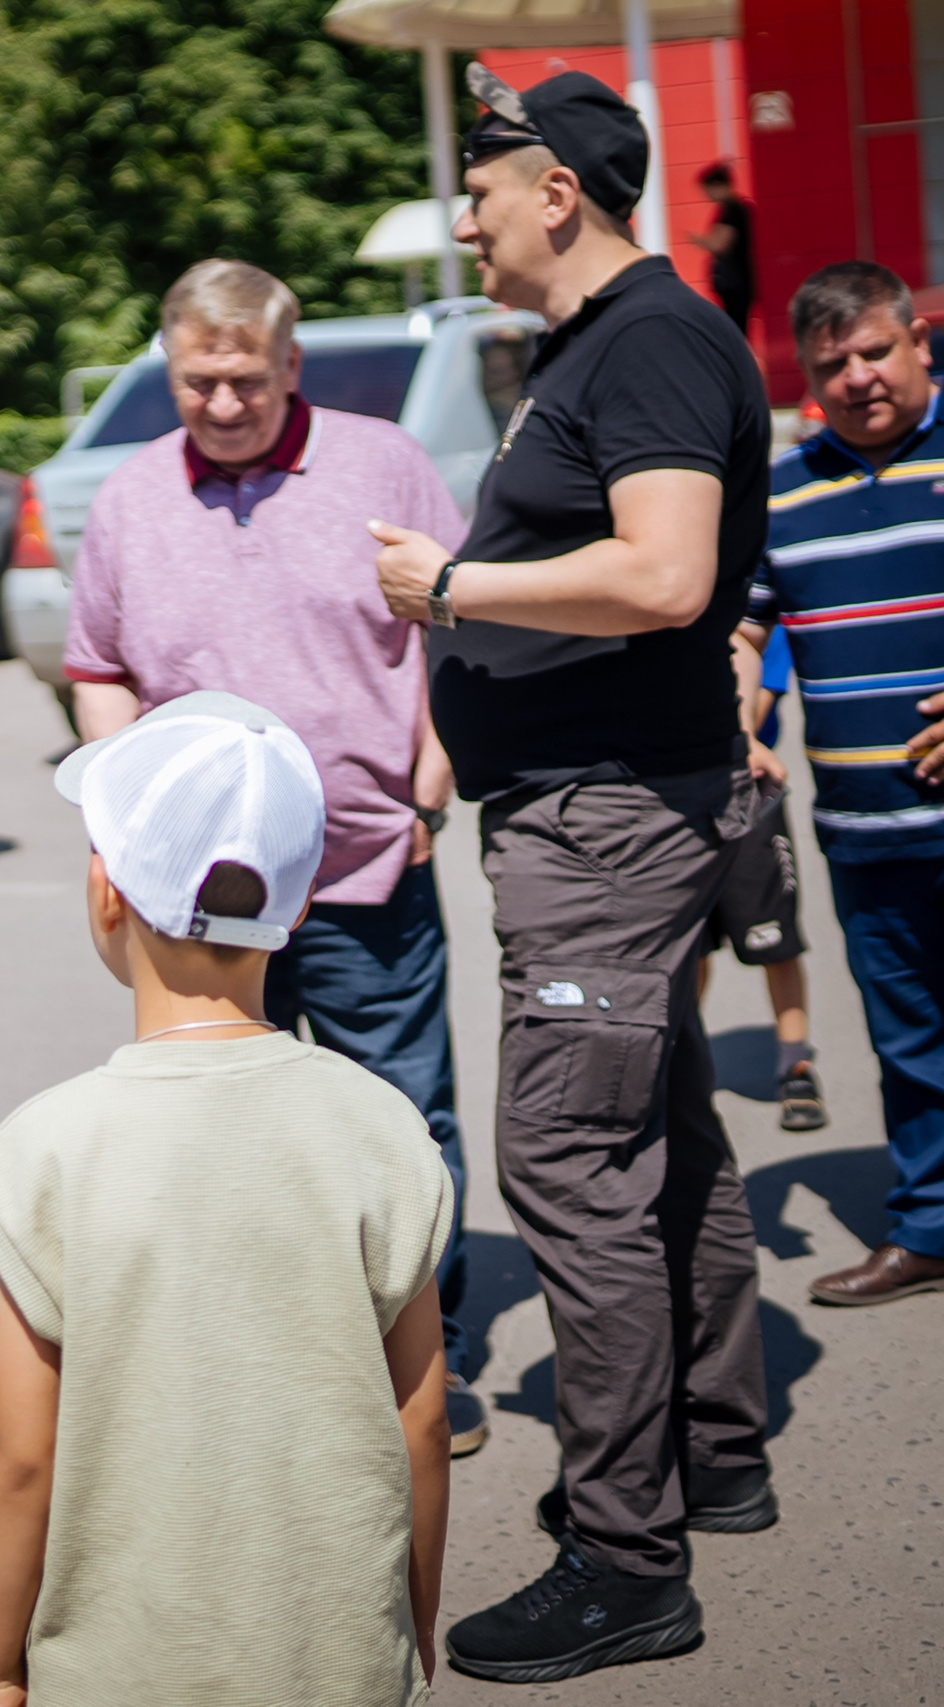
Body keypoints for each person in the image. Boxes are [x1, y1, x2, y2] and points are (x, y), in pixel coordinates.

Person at [371, 65, 774, 1683]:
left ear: (558, 193)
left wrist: (459, 583)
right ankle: (718, 1448)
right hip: (592, 808)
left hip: (604, 823)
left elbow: (671, 574)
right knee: (660, 1130)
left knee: (567, 1168)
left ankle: (627, 1555)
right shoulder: (600, 346)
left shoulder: (654, 338)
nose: (463, 217)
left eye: (482, 186)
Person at [63, 257, 485, 1457]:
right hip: (194, 895)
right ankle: (268, 1351)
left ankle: (417, 1359)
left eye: (246, 380)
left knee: (400, 1118)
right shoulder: (134, 497)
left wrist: (435, 763)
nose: (223, 405)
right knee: (221, 1126)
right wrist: (116, 801)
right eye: (198, 382)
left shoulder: (379, 467)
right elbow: (96, 665)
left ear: (289, 365)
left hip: (360, 863)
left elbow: (452, 619)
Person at [0, 692, 452, 1707]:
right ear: (300, 901)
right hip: (340, 1659)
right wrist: (411, 1614)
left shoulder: (49, 1151)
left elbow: (14, 1455)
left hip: (119, 1670)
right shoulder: (381, 1126)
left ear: (105, 890)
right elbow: (421, 1419)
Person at [739, 260, 944, 1307]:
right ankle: (928, 1227)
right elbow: (746, 626)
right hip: (865, 832)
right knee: (907, 1042)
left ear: (917, 342)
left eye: (876, 351)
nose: (860, 377)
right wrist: (735, 705)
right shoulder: (782, 490)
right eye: (834, 365)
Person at [704, 623, 827, 1132]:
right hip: (671, 797)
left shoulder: (751, 612)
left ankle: (794, 1060)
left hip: (749, 792)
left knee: (774, 937)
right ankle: (679, 1059)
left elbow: (760, 698)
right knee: (688, 947)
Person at [685, 163, 755, 337]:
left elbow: (720, 244)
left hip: (734, 282)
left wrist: (699, 241)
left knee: (735, 329)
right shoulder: (729, 210)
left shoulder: (733, 210)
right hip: (732, 282)